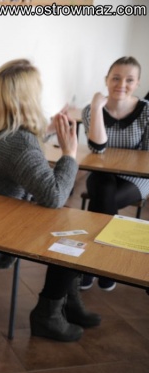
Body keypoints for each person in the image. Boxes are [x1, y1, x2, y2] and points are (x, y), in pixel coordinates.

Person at [0, 59, 101, 342]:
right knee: (72, 232)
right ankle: (49, 312)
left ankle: (66, 302)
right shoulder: (19, 143)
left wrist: (45, 130)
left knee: (66, 220)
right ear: (29, 98)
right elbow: (54, 195)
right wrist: (69, 154)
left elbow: (16, 152)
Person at [80, 56, 149, 291]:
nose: (122, 84)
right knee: (104, 190)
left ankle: (91, 265)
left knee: (102, 201)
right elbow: (98, 148)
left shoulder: (147, 111)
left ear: (138, 83)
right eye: (116, 78)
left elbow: (147, 156)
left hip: (136, 178)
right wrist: (97, 108)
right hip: (101, 173)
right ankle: (106, 264)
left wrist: (120, 162)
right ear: (106, 80)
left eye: (129, 80)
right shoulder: (91, 110)